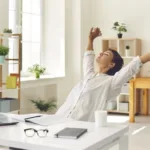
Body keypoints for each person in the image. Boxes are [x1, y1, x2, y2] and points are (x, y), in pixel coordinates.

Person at [56, 27, 150, 122]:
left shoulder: (112, 82)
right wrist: (91, 39)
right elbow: (88, 57)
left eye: (106, 54)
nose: (101, 53)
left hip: (79, 125)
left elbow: (134, 65)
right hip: (59, 117)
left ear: (111, 64)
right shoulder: (89, 75)